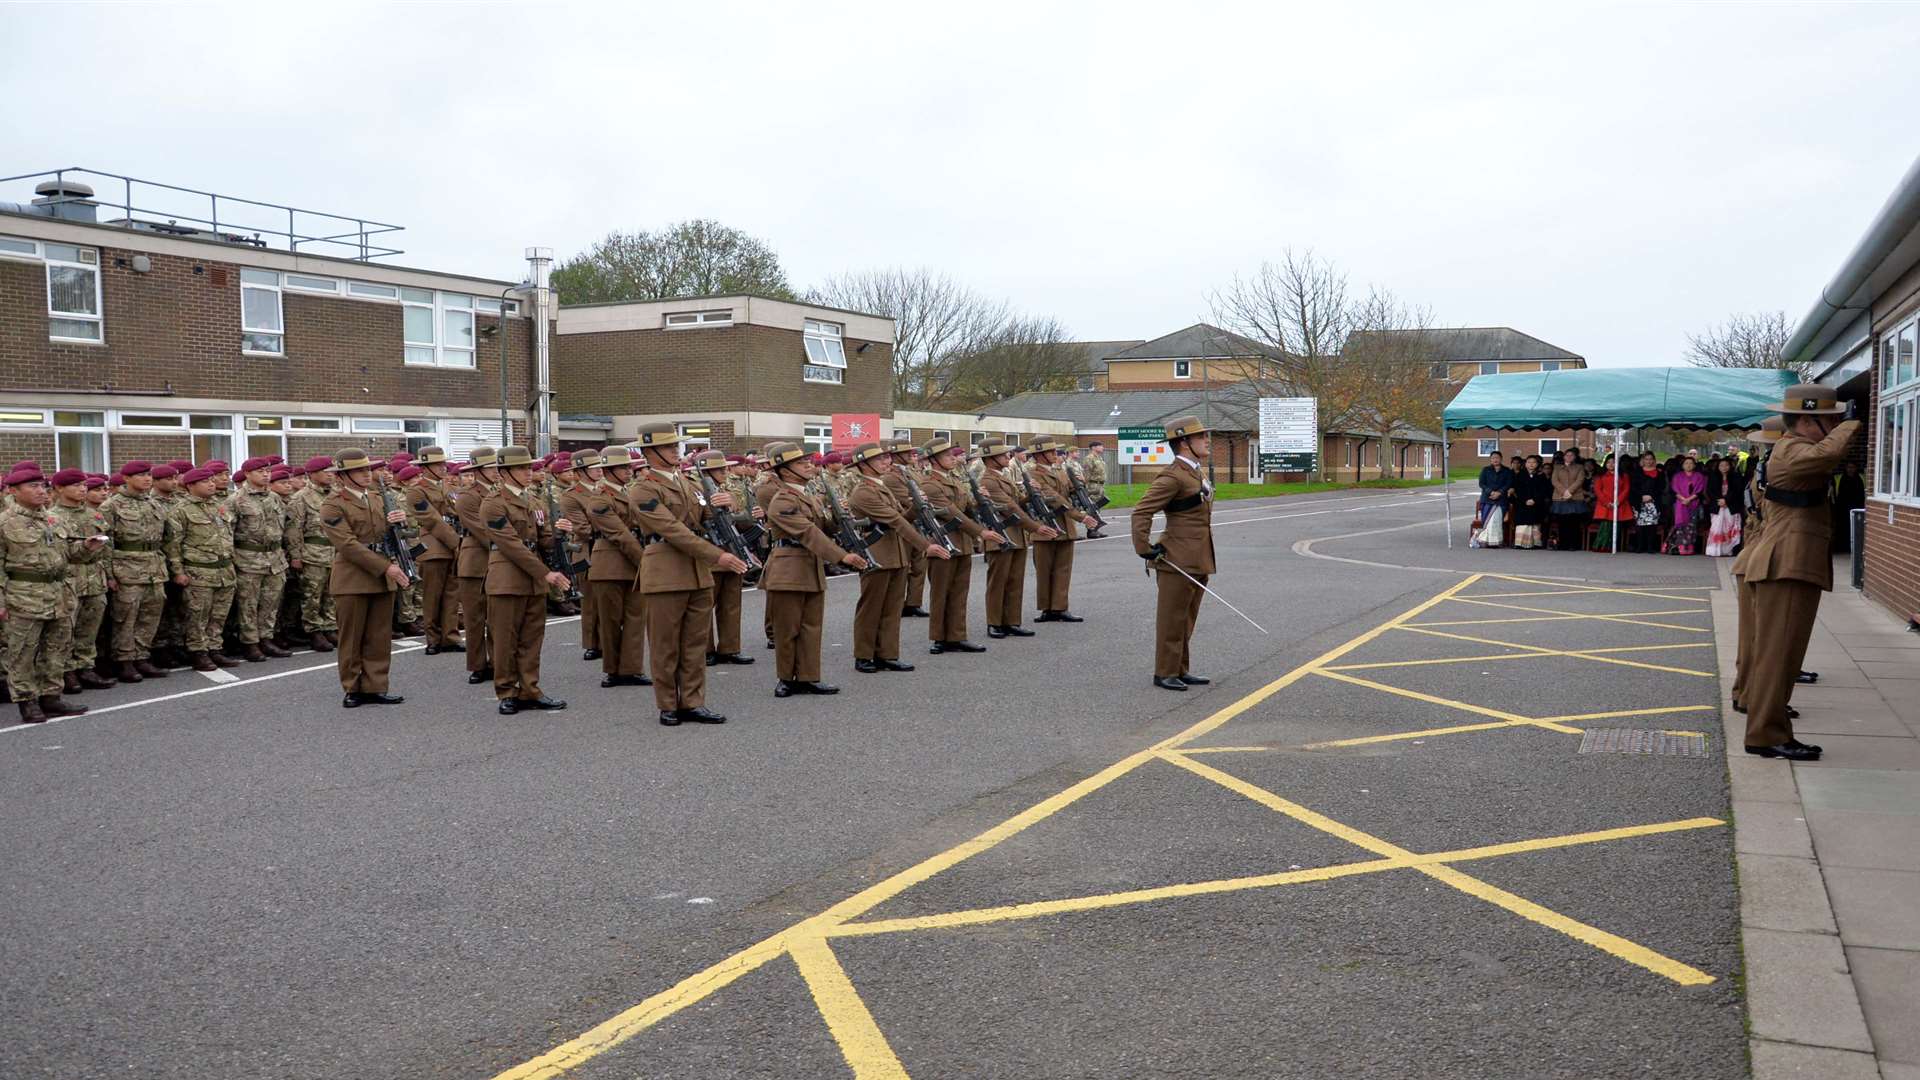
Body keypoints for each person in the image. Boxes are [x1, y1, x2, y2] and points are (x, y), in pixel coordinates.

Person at [1742, 385, 1861, 761]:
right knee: (1779, 657)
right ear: (1809, 419)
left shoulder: (1794, 448)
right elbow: (1827, 455)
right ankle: (1767, 734)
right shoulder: (1793, 449)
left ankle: (1768, 729)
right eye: (1830, 419)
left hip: (1791, 562)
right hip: (1786, 564)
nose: (1835, 424)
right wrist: (1852, 423)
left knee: (1780, 656)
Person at [628, 423, 748, 726]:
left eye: (676, 446)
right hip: (666, 569)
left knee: (694, 644)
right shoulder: (643, 488)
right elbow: (672, 530)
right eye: (669, 447)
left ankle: (693, 701)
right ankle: (668, 703)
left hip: (696, 572)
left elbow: (704, 517)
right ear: (650, 452)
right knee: (665, 644)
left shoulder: (689, 483)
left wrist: (725, 504)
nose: (676, 451)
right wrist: (717, 555)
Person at [760, 442, 866, 696]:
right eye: (801, 463)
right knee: (788, 628)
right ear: (784, 471)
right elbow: (808, 532)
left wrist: (840, 515)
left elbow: (824, 527)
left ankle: (808, 675)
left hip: (809, 565)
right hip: (788, 567)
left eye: (808, 462)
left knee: (811, 626)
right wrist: (842, 556)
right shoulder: (782, 499)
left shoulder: (808, 495)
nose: (809, 466)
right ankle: (786, 678)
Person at [480, 446, 574, 714]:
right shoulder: (493, 502)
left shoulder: (533, 501)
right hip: (507, 577)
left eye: (529, 467)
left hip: (532, 578)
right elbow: (511, 545)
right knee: (505, 638)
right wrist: (545, 573)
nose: (528, 472)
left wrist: (559, 534)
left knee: (532, 638)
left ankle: (530, 689)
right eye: (522, 468)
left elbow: (541, 539)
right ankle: (507, 691)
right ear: (504, 472)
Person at [3, 462, 99, 721]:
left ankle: (51, 696)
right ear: (13, 491)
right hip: (23, 596)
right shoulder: (5, 522)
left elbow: (68, 555)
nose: (41, 491)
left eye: (43, 486)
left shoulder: (53, 519)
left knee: (56, 648)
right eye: (32, 486)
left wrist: (87, 548)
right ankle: (27, 700)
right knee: (22, 651)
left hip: (59, 593)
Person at [317, 449, 412, 708]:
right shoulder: (333, 504)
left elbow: (403, 533)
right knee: (353, 636)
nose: (367, 474)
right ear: (344, 476)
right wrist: (385, 568)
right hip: (353, 577)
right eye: (360, 470)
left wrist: (402, 521)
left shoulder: (381, 498)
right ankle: (353, 688)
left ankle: (375, 686)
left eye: (368, 469)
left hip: (383, 574)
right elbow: (347, 544)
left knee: (379, 636)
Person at [847, 440, 950, 672]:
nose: (887, 461)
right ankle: (864, 655)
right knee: (871, 608)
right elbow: (894, 520)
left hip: (895, 553)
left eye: (886, 457)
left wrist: (916, 506)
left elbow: (902, 516)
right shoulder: (863, 492)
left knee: (892, 608)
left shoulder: (881, 486)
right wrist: (925, 545)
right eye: (879, 459)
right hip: (876, 555)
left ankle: (887, 654)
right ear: (863, 465)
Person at [1130, 416, 1216, 692]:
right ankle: (1165, 672)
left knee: (1187, 617)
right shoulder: (1172, 476)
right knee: (1172, 619)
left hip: (1198, 556)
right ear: (1183, 442)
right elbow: (1142, 511)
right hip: (1176, 558)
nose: (1207, 440)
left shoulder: (1195, 472)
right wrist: (1144, 548)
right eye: (1201, 436)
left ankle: (1181, 668)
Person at [919, 436, 1003, 654]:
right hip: (943, 542)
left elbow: (965, 508)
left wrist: (977, 500)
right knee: (941, 592)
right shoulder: (928, 485)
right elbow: (951, 512)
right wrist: (981, 532)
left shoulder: (955, 481)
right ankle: (939, 638)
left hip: (962, 543)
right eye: (947, 455)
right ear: (933, 460)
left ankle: (957, 636)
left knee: (959, 592)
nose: (953, 458)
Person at [582, 445, 651, 689]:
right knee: (610, 621)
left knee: (635, 618)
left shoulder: (630, 493)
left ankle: (631, 669)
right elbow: (620, 534)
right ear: (608, 470)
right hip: (611, 563)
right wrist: (646, 560)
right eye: (623, 467)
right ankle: (612, 670)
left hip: (633, 562)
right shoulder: (599, 499)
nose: (628, 471)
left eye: (629, 466)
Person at [1730, 418, 1783, 715]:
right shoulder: (1772, 467)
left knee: (1754, 634)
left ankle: (1747, 692)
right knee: (1760, 634)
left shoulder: (1765, 465)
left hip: (1757, 551)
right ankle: (1751, 694)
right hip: (1763, 551)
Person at [163, 466, 240, 672]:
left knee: (219, 614)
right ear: (190, 486)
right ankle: (199, 653)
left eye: (212, 481)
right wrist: (178, 571)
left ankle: (215, 648)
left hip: (224, 570)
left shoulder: (219, 506)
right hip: (199, 571)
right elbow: (173, 545)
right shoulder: (180, 510)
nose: (212, 484)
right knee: (197, 615)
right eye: (205, 481)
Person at [978, 440, 1057, 637]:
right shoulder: (988, 480)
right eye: (1003, 454)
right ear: (990, 459)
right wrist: (1036, 527)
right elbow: (1010, 508)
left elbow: (1016, 503)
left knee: (1015, 581)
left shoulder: (1003, 476)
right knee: (998, 582)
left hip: (1017, 534)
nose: (1008, 457)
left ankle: (1011, 621)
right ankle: (994, 623)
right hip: (1001, 536)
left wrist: (1031, 494)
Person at [103, 459, 172, 682]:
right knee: (126, 617)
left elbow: (167, 538)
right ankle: (124, 661)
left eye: (149, 475)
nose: (147, 479)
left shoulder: (154, 504)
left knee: (150, 616)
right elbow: (105, 543)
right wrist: (109, 574)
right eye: (141, 475)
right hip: (127, 568)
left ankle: (142, 656)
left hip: (154, 566)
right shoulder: (111, 505)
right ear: (126, 479)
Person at [49, 469, 115, 693]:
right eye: (75, 485)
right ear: (59, 489)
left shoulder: (93, 514)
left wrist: (109, 575)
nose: (82, 489)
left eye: (83, 485)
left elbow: (107, 549)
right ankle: (66, 672)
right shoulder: (52, 517)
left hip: (95, 577)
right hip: (70, 578)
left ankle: (86, 667)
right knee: (66, 628)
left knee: (90, 626)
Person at [694, 450, 756, 667]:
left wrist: (732, 505)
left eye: (725, 468)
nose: (725, 472)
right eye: (720, 469)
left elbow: (744, 518)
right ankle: (706, 649)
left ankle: (730, 648)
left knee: (731, 604)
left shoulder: (728, 490)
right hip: (710, 553)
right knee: (705, 606)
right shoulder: (695, 491)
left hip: (732, 550)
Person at [228, 457, 292, 661]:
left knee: (270, 603)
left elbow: (283, 528)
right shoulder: (235, 500)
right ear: (247, 474)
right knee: (248, 604)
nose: (266, 474)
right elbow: (227, 533)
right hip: (248, 559)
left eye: (268, 471)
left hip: (274, 558)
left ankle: (266, 639)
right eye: (260, 471)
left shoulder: (274, 498)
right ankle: (250, 643)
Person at [404, 447, 465, 655]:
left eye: (443, 463)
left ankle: (450, 636)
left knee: (451, 594)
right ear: (425, 467)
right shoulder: (416, 490)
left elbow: (457, 513)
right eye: (437, 464)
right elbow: (432, 520)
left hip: (453, 544)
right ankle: (433, 638)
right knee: (432, 595)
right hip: (434, 546)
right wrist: (456, 542)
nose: (443, 467)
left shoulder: (449, 488)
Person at [1028, 437, 1094, 619]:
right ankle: (1046, 608)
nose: (1055, 455)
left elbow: (1071, 490)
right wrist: (1081, 517)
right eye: (1051, 452)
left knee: (1063, 569)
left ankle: (1060, 607)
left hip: (1065, 526)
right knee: (1044, 569)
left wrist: (1081, 483)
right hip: (1047, 526)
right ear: (1039, 455)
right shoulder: (1033, 474)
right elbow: (1055, 498)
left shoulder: (1061, 471)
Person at [286, 455, 340, 653]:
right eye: (326, 472)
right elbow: (294, 529)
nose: (330, 475)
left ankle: (330, 627)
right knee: (312, 594)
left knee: (331, 593)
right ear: (312, 474)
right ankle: (314, 630)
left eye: (331, 472)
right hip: (312, 552)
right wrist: (296, 556)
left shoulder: (335, 494)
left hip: (334, 551)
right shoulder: (301, 497)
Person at [454, 447, 498, 686]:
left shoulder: (500, 492)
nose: (496, 472)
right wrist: (508, 546)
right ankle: (478, 665)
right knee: (475, 618)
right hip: (475, 562)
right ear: (478, 470)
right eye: (491, 467)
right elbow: (482, 530)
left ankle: (496, 661)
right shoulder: (467, 496)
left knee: (496, 617)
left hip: (498, 560)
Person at [886, 441, 932, 620]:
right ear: (896, 455)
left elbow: (922, 491)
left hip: (918, 523)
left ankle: (913, 603)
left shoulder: (911, 471)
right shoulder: (891, 477)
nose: (911, 455)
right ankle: (897, 604)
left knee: (919, 566)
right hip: (905, 522)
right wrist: (920, 500)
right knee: (903, 568)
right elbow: (906, 499)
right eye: (906, 452)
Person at [1549, 448, 1590, 551]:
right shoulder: (1557, 467)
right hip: (1560, 497)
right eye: (1567, 455)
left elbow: (1580, 480)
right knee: (1562, 522)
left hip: (1575, 497)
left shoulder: (1579, 467)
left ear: (1575, 457)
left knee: (1573, 522)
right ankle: (1563, 544)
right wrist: (1564, 491)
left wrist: (1569, 491)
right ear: (1564, 457)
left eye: (1571, 455)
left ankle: (1574, 544)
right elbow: (1554, 480)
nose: (1569, 457)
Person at [1666, 456, 1706, 555]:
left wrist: (1689, 499)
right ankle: (1679, 547)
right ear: (1682, 465)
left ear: (1694, 465)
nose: (1688, 465)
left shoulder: (1699, 476)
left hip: (1693, 503)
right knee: (1680, 526)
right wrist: (1683, 499)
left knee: (1692, 526)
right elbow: (1674, 489)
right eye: (1686, 463)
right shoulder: (1677, 476)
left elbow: (1700, 490)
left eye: (1691, 463)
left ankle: (1689, 547)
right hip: (1680, 504)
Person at [1628, 451, 1666, 554]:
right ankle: (1639, 546)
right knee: (1640, 524)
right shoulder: (1636, 472)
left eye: (1650, 459)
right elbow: (1633, 487)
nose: (1648, 461)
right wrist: (1642, 496)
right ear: (1642, 460)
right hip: (1639, 501)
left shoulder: (1659, 473)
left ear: (1653, 460)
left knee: (1652, 525)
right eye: (1646, 459)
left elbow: (1661, 487)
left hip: (1653, 501)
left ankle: (1650, 547)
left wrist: (1650, 496)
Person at [1511, 455, 1551, 549]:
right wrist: (1525, 500)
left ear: (1537, 464)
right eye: (1529, 462)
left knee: (1535, 524)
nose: (1531, 464)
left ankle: (1535, 543)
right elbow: (1517, 490)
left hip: (1536, 504)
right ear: (1525, 464)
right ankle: (1520, 543)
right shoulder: (1519, 475)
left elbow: (1544, 491)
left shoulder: (1541, 476)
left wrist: (1534, 500)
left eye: (1533, 462)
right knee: (1523, 523)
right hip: (1522, 504)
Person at [1474, 452, 1513, 548]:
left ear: (1501, 459)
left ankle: (1495, 541)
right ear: (1490, 459)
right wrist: (1491, 492)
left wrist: (1499, 493)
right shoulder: (1486, 470)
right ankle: (1485, 540)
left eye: (1497, 458)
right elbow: (1482, 484)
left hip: (1501, 500)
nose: (1495, 460)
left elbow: (1508, 483)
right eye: (1493, 458)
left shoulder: (1507, 471)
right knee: (1488, 520)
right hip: (1487, 499)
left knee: (1496, 520)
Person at [1832, 460, 1866, 553]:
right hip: (1842, 509)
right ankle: (1843, 548)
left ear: (1856, 468)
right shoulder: (1838, 478)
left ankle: (1856, 549)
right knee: (1843, 530)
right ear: (1845, 468)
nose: (1850, 469)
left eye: (1852, 467)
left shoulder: (1862, 478)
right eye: (1848, 467)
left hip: (1857, 508)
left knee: (1856, 529)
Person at [1081, 441, 1110, 537]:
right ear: (1093, 447)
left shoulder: (1099, 458)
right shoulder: (1089, 459)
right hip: (1092, 485)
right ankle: (1091, 529)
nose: (1102, 448)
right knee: (1091, 508)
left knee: (1097, 508)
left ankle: (1096, 528)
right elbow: (1086, 474)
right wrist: (1086, 486)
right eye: (1100, 446)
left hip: (1100, 485)